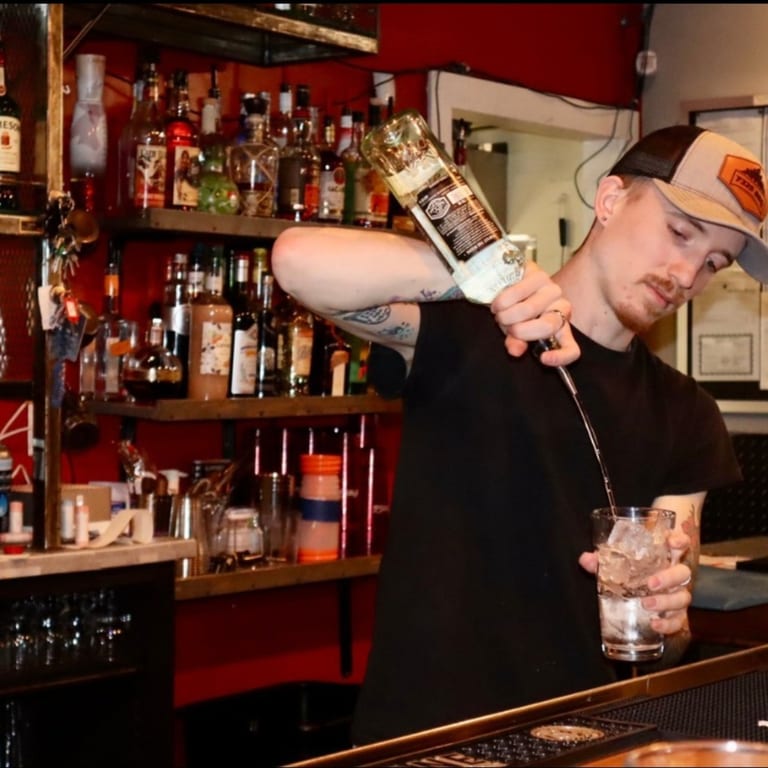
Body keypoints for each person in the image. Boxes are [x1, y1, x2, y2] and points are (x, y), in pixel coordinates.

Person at [271, 124, 768, 745]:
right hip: (432, 743)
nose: (686, 274)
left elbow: (666, 639)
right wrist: (488, 274)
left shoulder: (687, 412)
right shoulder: (471, 330)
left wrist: (670, 620)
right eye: (680, 233)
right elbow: (296, 261)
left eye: (713, 263)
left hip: (586, 743)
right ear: (611, 199)